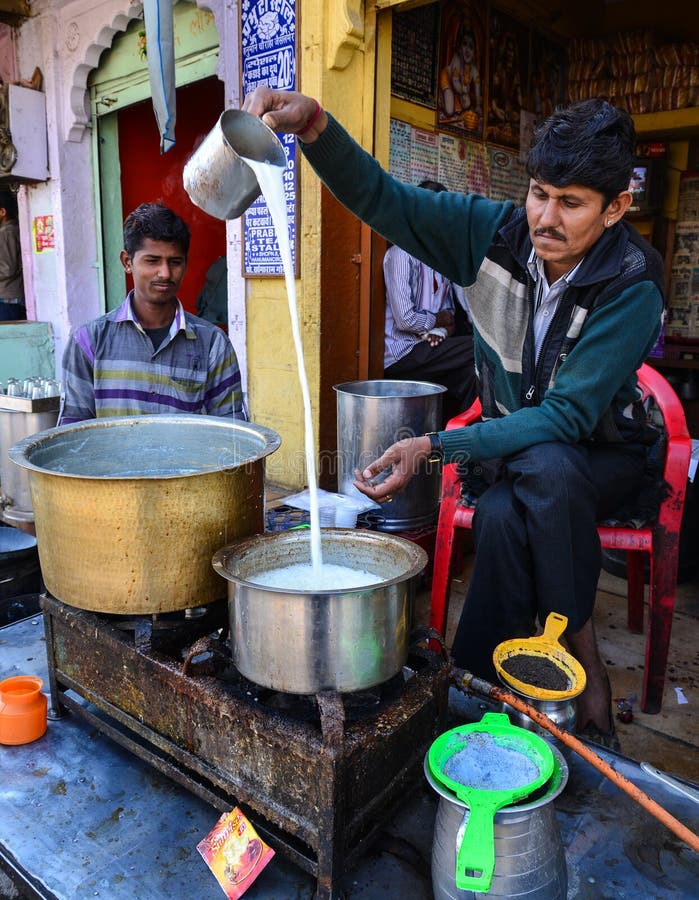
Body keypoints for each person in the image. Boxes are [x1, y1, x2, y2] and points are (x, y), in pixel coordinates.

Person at [242, 88, 665, 746]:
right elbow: (385, 201)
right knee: (499, 512)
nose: (545, 218)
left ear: (614, 208)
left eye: (571, 203)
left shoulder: (633, 281)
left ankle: (567, 658)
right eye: (538, 193)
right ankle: (480, 692)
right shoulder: (492, 235)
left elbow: (565, 416)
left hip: (602, 458)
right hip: (515, 460)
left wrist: (433, 446)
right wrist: (318, 128)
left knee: (547, 469)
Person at [59, 203, 244, 424]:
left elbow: (232, 435)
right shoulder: (89, 341)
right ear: (127, 262)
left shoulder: (213, 344)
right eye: (152, 261)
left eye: (175, 262)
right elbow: (72, 434)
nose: (165, 273)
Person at [383, 179, 477, 421]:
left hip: (430, 347)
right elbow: (405, 320)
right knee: (479, 348)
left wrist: (442, 330)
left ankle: (459, 448)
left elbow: (450, 316)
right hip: (402, 353)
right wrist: (437, 321)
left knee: (470, 375)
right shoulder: (400, 255)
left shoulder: (441, 259)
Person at [0, 189, 26, 321]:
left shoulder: (5, 233)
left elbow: (7, 268)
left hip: (7, 300)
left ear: (2, 212)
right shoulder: (14, 229)